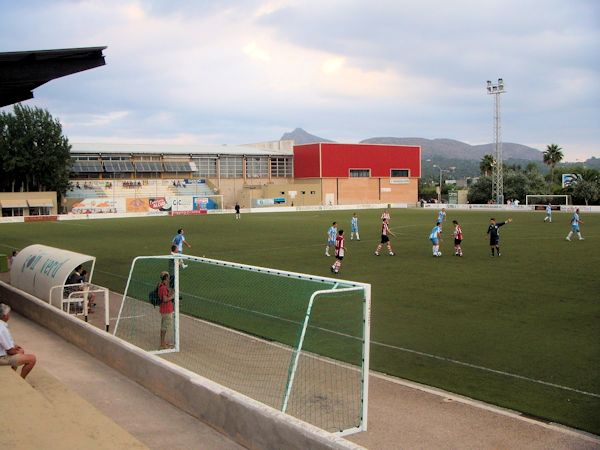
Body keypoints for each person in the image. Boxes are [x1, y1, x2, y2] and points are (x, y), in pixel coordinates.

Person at [0, 303, 36, 379]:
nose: (9, 315)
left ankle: (13, 375)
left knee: (20, 351)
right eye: (9, 314)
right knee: (32, 359)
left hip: (2, 353)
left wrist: (15, 347)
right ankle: (21, 379)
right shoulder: (2, 328)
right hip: (1, 358)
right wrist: (17, 351)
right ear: (5, 316)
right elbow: (10, 351)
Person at [158, 271, 174, 349]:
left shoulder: (162, 286)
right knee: (164, 327)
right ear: (166, 277)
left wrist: (171, 292)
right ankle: (162, 344)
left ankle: (163, 342)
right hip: (166, 310)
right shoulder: (163, 287)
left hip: (165, 309)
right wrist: (173, 296)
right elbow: (165, 299)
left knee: (164, 327)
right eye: (168, 277)